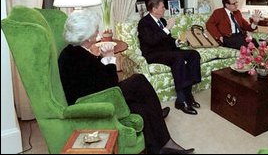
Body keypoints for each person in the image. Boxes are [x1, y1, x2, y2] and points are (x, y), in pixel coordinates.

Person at [58, 9, 194, 154]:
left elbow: (93, 76)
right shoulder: (79, 57)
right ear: (86, 37)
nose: (97, 34)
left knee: (141, 108)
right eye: (95, 31)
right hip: (96, 101)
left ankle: (159, 146)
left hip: (96, 94)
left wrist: (100, 58)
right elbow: (111, 83)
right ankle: (158, 120)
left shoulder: (72, 52)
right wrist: (109, 58)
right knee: (139, 80)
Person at [138, 0, 202, 115]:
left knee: (194, 54)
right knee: (178, 58)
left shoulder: (161, 20)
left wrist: (177, 42)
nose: (165, 9)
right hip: (153, 54)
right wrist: (167, 28)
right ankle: (181, 100)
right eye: (162, 7)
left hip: (168, 51)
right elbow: (151, 41)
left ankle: (188, 93)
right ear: (154, 9)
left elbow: (166, 40)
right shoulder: (144, 23)